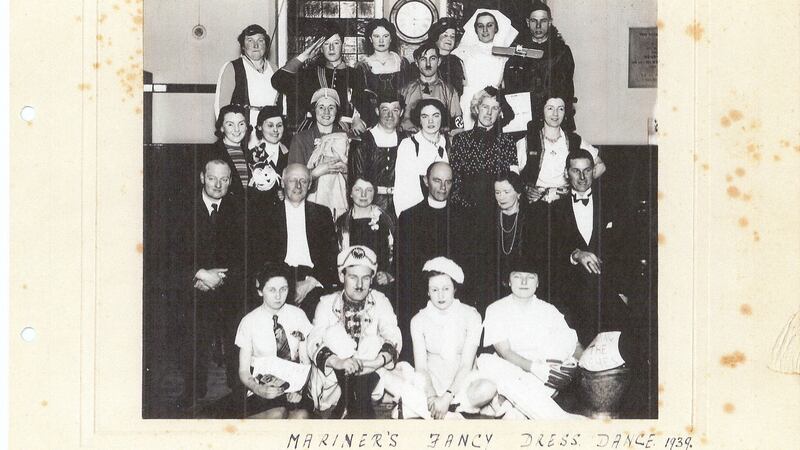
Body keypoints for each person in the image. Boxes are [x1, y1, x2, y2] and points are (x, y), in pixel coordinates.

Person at [175, 159, 245, 412]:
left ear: (230, 181)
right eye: (213, 178)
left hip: (229, 284)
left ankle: (238, 387)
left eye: (224, 179)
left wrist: (221, 278)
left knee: (237, 327)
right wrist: (200, 274)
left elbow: (245, 252)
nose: (218, 184)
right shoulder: (183, 208)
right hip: (195, 284)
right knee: (193, 328)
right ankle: (194, 388)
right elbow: (170, 251)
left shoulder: (238, 209)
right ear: (202, 178)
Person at [477, 258, 581, 419]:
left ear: (537, 282)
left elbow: (574, 345)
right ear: (509, 281)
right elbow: (505, 352)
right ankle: (555, 418)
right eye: (518, 276)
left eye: (530, 277)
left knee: (546, 377)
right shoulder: (496, 309)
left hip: (542, 375)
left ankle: (510, 406)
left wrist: (572, 363)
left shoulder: (549, 310)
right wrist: (535, 368)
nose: (524, 282)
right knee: (486, 361)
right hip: (511, 370)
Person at [307, 246, 403, 418]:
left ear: (372, 279)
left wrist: (375, 362)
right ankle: (354, 403)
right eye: (353, 277)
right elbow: (313, 340)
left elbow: (393, 335)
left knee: (373, 341)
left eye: (365, 278)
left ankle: (352, 404)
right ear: (341, 276)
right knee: (333, 333)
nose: (360, 285)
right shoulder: (327, 303)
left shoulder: (380, 301)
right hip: (333, 388)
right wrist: (338, 362)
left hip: (370, 379)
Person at [550, 150, 632, 347]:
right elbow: (550, 253)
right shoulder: (553, 210)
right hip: (571, 301)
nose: (582, 177)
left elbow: (625, 251)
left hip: (608, 296)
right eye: (575, 171)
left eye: (587, 170)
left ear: (594, 171)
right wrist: (575, 254)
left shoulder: (613, 204)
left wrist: (623, 292)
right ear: (566, 173)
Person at [401, 257, 497, 419]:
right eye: (434, 290)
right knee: (392, 378)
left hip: (462, 385)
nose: (440, 295)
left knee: (488, 388)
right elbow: (421, 367)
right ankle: (450, 411)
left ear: (454, 289)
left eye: (446, 288)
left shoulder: (471, 316)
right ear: (427, 291)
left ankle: (434, 409)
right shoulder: (418, 320)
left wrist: (447, 397)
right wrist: (431, 395)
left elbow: (466, 364)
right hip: (430, 385)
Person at [395, 162, 469, 361]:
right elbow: (404, 268)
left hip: (455, 298)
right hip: (419, 298)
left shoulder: (464, 218)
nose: (443, 187)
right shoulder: (408, 217)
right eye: (437, 180)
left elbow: (468, 265)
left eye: (448, 182)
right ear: (426, 181)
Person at [249, 163, 339, 319]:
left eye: (303, 181)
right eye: (292, 180)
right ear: (283, 182)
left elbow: (331, 256)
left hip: (313, 281)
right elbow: (259, 257)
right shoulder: (265, 214)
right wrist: (281, 284)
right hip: (278, 279)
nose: (298, 186)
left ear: (309, 185)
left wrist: (311, 283)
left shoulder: (322, 214)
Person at [234, 262, 314, 418]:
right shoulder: (249, 321)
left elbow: (305, 361)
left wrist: (299, 390)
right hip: (263, 388)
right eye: (272, 290)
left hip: (294, 386)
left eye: (283, 289)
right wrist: (258, 389)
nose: (278, 296)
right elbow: (243, 370)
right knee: (278, 413)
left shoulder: (298, 315)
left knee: (301, 416)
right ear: (260, 290)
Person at [271, 21, 366, 133]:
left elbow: (365, 106)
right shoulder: (310, 74)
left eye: (336, 43)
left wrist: (358, 118)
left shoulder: (356, 74)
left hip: (346, 133)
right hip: (314, 132)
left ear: (343, 46)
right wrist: (304, 56)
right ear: (320, 48)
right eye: (326, 44)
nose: (331, 48)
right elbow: (278, 81)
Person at [519, 94, 605, 205]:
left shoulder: (575, 140)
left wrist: (579, 183)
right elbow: (513, 174)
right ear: (542, 111)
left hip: (567, 203)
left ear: (565, 112)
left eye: (560, 109)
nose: (555, 114)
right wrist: (525, 188)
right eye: (550, 108)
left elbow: (601, 166)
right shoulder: (528, 141)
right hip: (536, 203)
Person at [503, 1, 576, 131]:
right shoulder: (517, 50)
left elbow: (567, 89)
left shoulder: (562, 51)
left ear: (549, 22)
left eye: (543, 21)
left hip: (553, 115)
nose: (538, 26)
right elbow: (510, 86)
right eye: (533, 21)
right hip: (525, 117)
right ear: (527, 22)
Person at [450, 86, 518, 210]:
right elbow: (455, 180)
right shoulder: (461, 139)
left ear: (500, 112)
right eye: (485, 107)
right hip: (466, 210)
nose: (489, 113)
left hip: (497, 209)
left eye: (495, 108)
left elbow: (512, 180)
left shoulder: (507, 142)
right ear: (477, 108)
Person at [288, 88, 350, 220]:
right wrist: (316, 172)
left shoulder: (347, 138)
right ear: (314, 110)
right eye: (321, 107)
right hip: (310, 207)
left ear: (337, 111)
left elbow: (357, 181)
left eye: (331, 107)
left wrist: (346, 171)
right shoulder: (301, 139)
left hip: (341, 206)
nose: (326, 112)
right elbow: (292, 182)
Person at [451, 9, 518, 130]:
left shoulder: (505, 55)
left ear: (496, 29)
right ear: (475, 29)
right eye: (480, 26)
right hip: (467, 103)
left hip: (492, 106)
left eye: (489, 25)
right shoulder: (462, 52)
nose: (485, 30)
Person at [348, 92, 407, 220]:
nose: (390, 115)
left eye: (395, 110)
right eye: (385, 109)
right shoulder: (362, 142)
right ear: (377, 111)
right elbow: (357, 180)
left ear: (401, 112)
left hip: (402, 205)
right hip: (370, 206)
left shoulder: (406, 141)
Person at [214, 24, 281, 127]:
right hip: (241, 130)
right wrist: (226, 130)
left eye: (260, 40)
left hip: (270, 130)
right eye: (250, 41)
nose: (255, 45)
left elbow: (282, 103)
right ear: (243, 46)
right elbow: (221, 107)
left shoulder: (274, 69)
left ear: (266, 45)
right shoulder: (232, 67)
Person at [335, 178, 395, 292]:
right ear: (350, 193)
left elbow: (396, 253)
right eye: (358, 190)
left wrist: (388, 274)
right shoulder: (341, 223)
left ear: (374, 193)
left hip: (379, 285)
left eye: (369, 190)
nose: (363, 195)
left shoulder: (385, 220)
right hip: (350, 285)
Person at [393, 98, 450, 216]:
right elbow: (402, 191)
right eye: (425, 116)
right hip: (416, 215)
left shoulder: (445, 143)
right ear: (419, 119)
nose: (430, 121)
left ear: (442, 117)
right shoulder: (408, 145)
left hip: (441, 212)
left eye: (435, 116)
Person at [356, 18, 413, 127]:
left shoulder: (402, 63)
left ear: (391, 38)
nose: (381, 41)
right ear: (370, 39)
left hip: (400, 119)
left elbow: (410, 93)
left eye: (385, 36)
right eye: (376, 36)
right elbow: (358, 98)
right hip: (372, 119)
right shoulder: (363, 66)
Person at [398, 42, 462, 133]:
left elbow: (458, 126)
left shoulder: (449, 91)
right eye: (423, 59)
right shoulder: (406, 90)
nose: (428, 64)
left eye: (432, 59)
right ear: (416, 63)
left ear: (439, 61)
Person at [247, 105, 289, 209]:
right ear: (259, 127)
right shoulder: (251, 156)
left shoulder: (290, 153)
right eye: (270, 125)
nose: (275, 130)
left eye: (279, 125)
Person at [207, 104, 252, 199]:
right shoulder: (211, 153)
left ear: (247, 126)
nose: (237, 129)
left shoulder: (251, 154)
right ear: (222, 128)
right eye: (230, 124)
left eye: (241, 124)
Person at [425, 18, 465, 96]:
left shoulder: (457, 61)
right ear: (436, 37)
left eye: (452, 36)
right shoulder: (426, 59)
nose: (449, 39)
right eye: (445, 35)